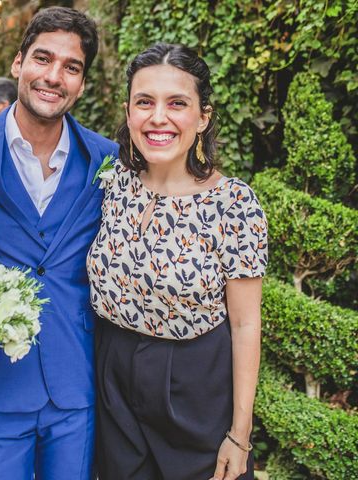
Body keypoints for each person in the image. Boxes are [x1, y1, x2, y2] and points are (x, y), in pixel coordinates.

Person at [87, 42, 268, 480]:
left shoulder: (234, 204)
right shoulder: (113, 184)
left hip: (193, 386)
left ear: (203, 117)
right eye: (144, 102)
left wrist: (240, 435)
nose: (158, 117)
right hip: (111, 375)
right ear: (129, 112)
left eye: (177, 103)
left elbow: (245, 325)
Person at [0, 7, 118, 480]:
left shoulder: (107, 160)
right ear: (17, 64)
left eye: (71, 67)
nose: (54, 76)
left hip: (76, 385)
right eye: (43, 59)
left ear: (83, 83)